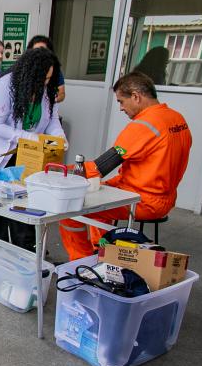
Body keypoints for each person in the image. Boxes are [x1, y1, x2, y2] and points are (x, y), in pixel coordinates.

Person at [59, 72, 191, 260]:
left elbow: (101, 166)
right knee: (97, 193)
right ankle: (102, 251)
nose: (121, 108)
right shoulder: (176, 118)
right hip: (163, 195)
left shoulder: (144, 125)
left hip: (142, 198)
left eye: (121, 101)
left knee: (70, 208)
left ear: (136, 96)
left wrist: (63, 172)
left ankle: (83, 260)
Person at [0, 47, 66, 251]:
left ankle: (23, 251)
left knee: (22, 200)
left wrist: (59, 137)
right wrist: (29, 137)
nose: (46, 83)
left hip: (21, 149)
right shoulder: (5, 86)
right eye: (43, 78)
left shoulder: (46, 90)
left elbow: (51, 119)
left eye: (49, 79)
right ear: (30, 73)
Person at [27, 35, 66, 103]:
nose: (39, 54)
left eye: (43, 50)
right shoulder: (24, 70)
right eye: (36, 51)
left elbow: (61, 94)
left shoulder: (55, 70)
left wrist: (52, 100)